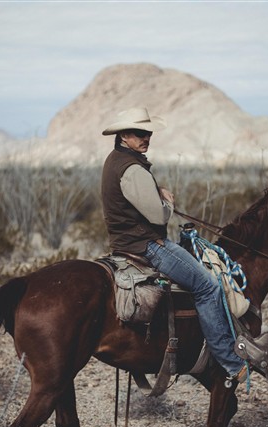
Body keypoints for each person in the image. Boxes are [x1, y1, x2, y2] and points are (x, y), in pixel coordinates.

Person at [100, 107, 248, 383]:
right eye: (140, 133)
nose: (147, 137)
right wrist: (167, 202)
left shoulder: (116, 161)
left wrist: (154, 191)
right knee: (207, 286)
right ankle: (229, 361)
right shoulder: (133, 168)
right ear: (124, 135)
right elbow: (158, 215)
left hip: (126, 242)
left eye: (149, 132)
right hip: (148, 246)